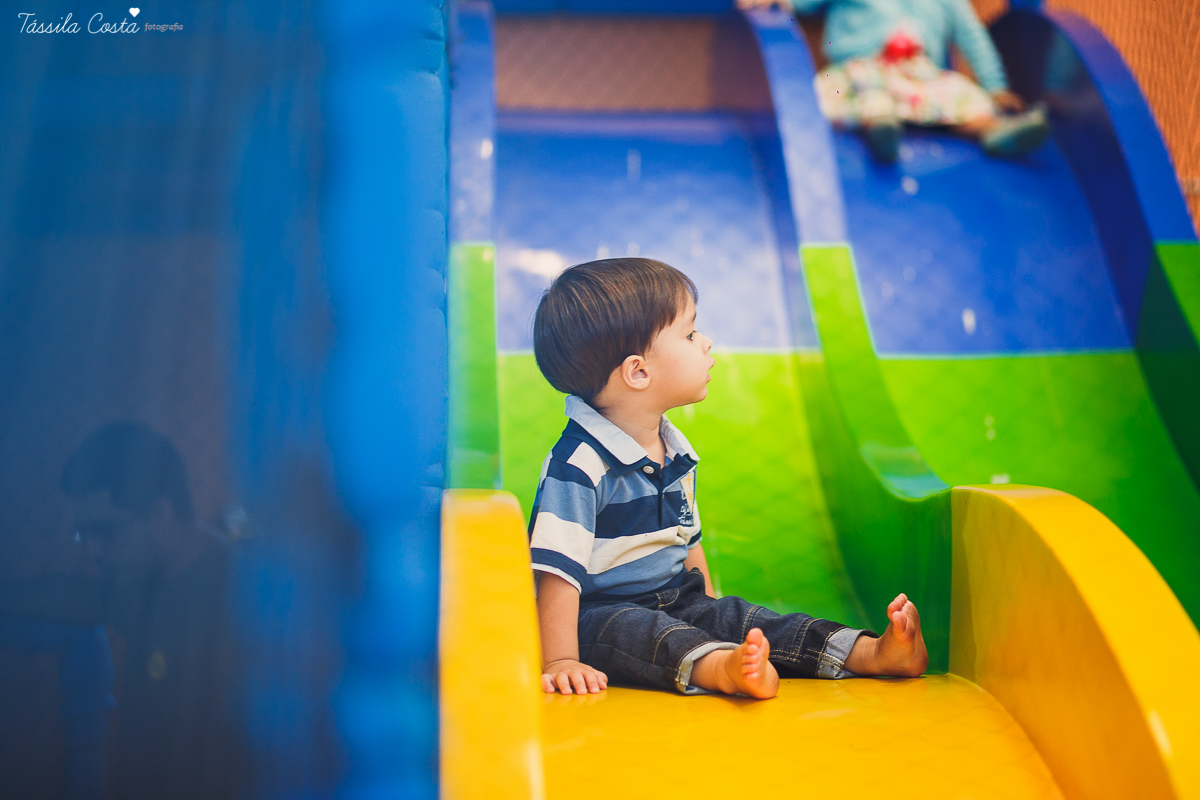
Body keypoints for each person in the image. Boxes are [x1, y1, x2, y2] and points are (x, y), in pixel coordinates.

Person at [529, 258, 927, 698]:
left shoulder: (673, 448)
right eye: (690, 333)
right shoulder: (580, 463)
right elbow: (557, 572)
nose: (706, 342)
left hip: (675, 596)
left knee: (752, 620)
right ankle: (722, 667)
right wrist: (561, 659)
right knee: (642, 632)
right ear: (639, 371)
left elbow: (688, 542)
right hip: (602, 615)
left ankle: (869, 653)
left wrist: (712, 608)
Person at [738, 0, 1049, 162]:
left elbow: (972, 37)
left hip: (920, 75)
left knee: (957, 94)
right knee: (850, 90)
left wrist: (994, 86)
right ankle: (880, 128)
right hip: (862, 65)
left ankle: (992, 131)